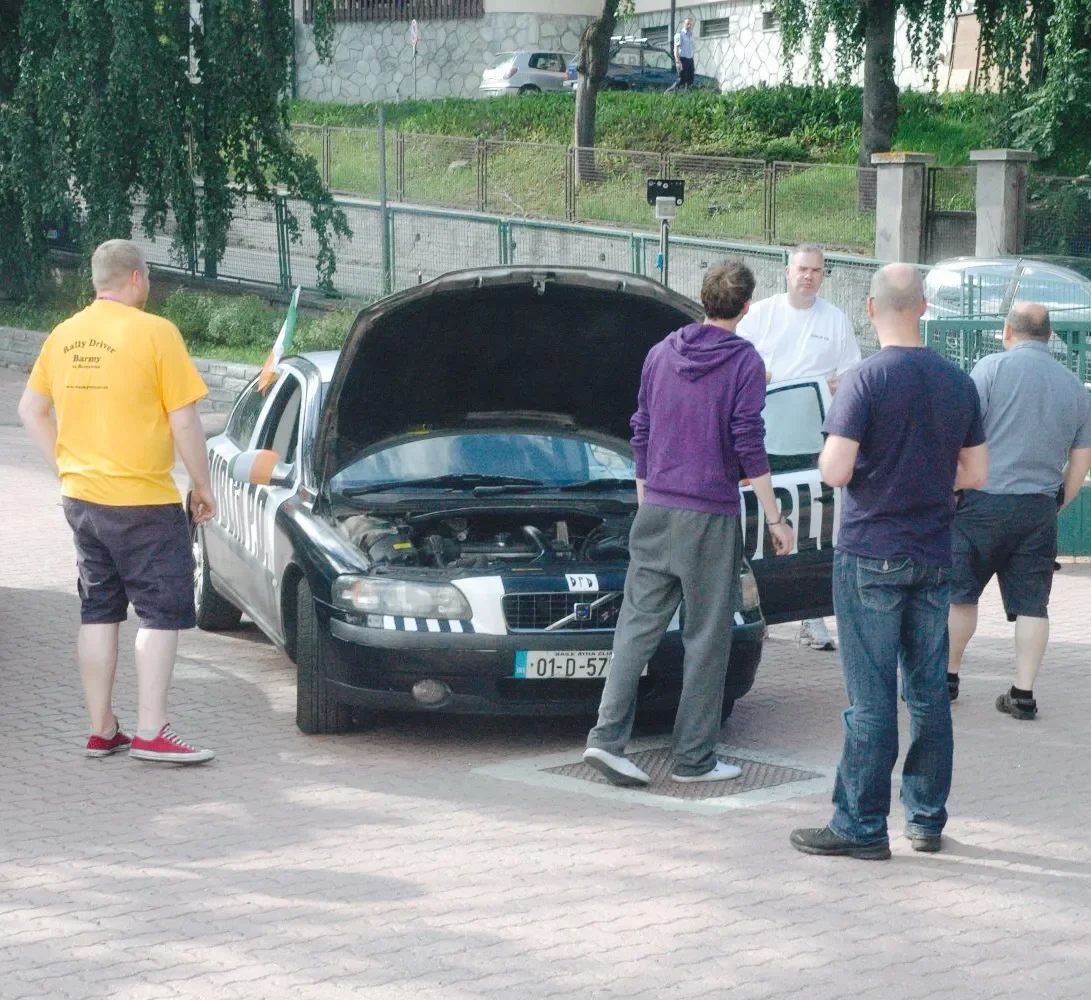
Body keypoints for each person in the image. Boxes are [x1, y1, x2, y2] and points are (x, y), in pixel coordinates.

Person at [790, 264, 987, 860]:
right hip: (934, 551)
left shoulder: (864, 379)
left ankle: (860, 825)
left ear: (871, 310)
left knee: (870, 699)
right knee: (927, 692)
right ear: (923, 307)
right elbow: (975, 474)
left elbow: (834, 469)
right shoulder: (958, 382)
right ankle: (926, 820)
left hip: (871, 550)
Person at [583, 260, 794, 787]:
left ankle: (606, 740)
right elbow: (748, 440)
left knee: (635, 627)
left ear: (701, 298)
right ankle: (694, 758)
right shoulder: (745, 360)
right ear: (746, 307)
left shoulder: (660, 353)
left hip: (656, 508)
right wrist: (775, 517)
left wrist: (646, 495)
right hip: (710, 514)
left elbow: (641, 429)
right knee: (707, 637)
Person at [19, 239, 218, 764]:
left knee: (98, 610)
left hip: (82, 500)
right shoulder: (156, 333)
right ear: (135, 278)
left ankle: (102, 728)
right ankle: (152, 731)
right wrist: (202, 486)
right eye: (148, 277)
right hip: (142, 501)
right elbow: (184, 420)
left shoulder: (63, 336)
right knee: (160, 613)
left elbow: (30, 409)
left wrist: (64, 467)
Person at [947, 303, 1091, 720]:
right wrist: (1056, 502)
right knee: (1033, 605)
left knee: (961, 596)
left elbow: (961, 433)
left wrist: (955, 487)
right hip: (1038, 508)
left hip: (981, 503)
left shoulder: (990, 369)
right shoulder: (1074, 387)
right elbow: (1081, 463)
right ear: (1049, 336)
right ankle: (1023, 693)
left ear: (1008, 331)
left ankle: (948, 677)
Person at [736, 243, 862, 653]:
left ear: (824, 276)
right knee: (757, 523)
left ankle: (811, 615)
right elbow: (737, 362)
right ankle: (758, 608)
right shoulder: (761, 315)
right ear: (787, 271)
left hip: (812, 438)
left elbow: (850, 375)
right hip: (761, 435)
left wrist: (832, 386)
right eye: (802, 269)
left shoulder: (836, 320)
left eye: (817, 271)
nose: (809, 276)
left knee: (813, 525)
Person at [671, 18, 696, 90]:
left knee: (690, 81)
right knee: (681, 80)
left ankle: (686, 96)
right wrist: (678, 61)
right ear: (684, 24)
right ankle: (667, 93)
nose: (689, 25)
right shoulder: (679, 35)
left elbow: (691, 49)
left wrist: (692, 62)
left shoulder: (691, 35)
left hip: (690, 60)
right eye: (687, 24)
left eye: (690, 24)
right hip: (682, 60)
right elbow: (676, 49)